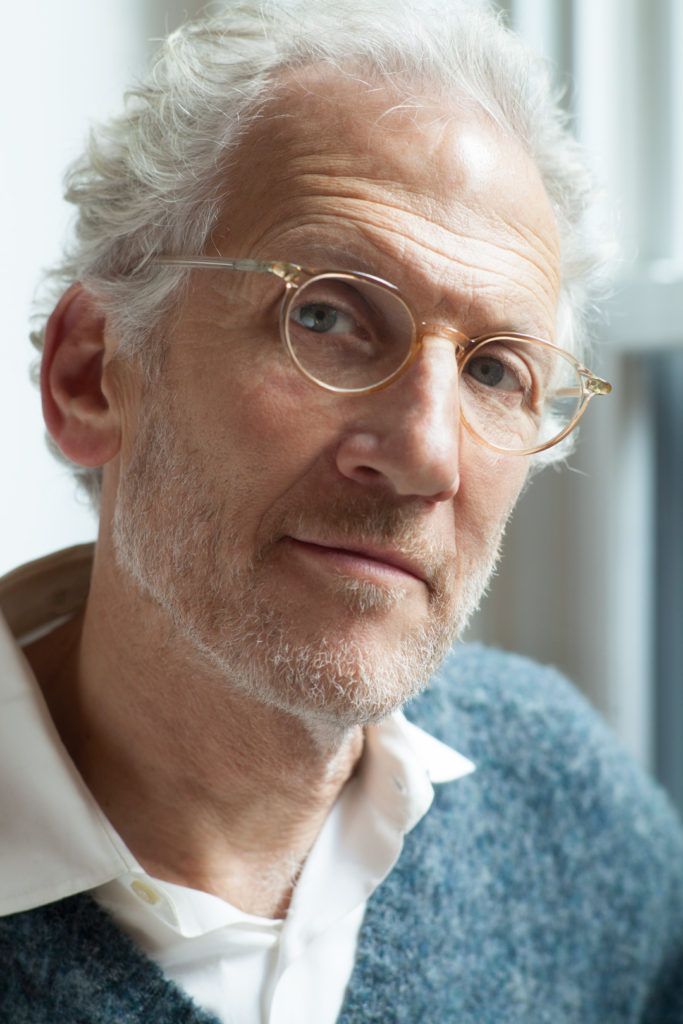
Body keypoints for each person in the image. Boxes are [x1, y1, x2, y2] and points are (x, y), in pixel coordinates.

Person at [1, 1, 682, 1021]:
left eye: (496, 370)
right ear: (94, 373)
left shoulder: (563, 804)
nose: (424, 452)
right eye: (324, 313)